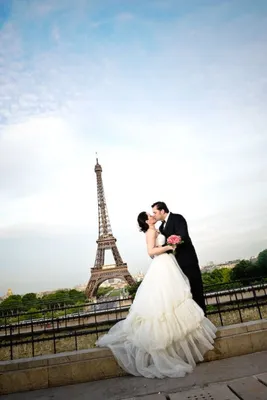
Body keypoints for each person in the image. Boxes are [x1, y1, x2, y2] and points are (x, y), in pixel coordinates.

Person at [96, 212, 217, 379]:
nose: (152, 215)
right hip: (162, 265)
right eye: (149, 215)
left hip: (167, 265)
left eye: (152, 213)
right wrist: (168, 247)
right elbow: (150, 251)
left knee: (171, 300)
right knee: (166, 301)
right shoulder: (151, 232)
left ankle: (174, 346)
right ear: (146, 221)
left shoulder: (158, 229)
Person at [152, 201, 206, 314]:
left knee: (196, 290)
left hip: (187, 260)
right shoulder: (161, 227)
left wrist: (166, 245)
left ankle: (203, 319)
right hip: (174, 264)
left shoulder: (177, 218)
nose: (154, 215)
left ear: (162, 211)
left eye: (155, 212)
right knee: (185, 294)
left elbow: (183, 236)